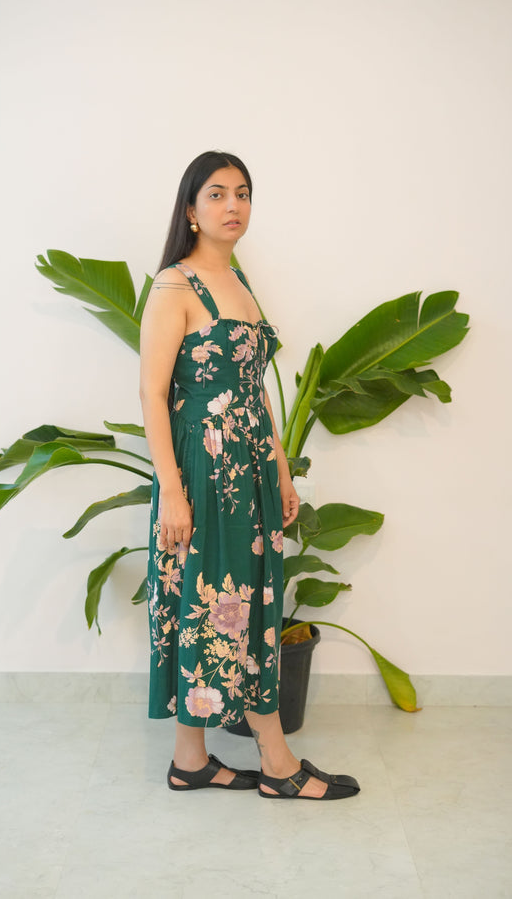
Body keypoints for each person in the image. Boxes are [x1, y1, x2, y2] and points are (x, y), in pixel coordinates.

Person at [139, 151, 359, 800]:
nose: (233, 205)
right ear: (190, 209)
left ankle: (191, 760)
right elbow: (152, 394)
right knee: (217, 603)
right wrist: (173, 491)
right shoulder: (174, 287)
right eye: (217, 194)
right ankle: (278, 761)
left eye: (243, 193)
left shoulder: (238, 281)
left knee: (244, 599)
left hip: (252, 470)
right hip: (202, 473)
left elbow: (253, 386)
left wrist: (282, 470)